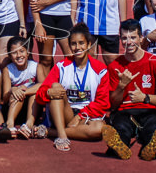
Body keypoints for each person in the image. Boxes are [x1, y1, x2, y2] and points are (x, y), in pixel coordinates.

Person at [102, 19, 156, 162]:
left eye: (133, 37)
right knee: (121, 127)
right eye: (124, 38)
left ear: (141, 38)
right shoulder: (115, 65)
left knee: (153, 126)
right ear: (120, 39)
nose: (129, 42)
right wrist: (122, 86)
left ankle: (152, 148)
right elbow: (112, 105)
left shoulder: (155, 62)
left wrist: (144, 98)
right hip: (125, 111)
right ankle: (119, 146)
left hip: (149, 110)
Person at [36, 23, 110, 152]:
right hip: (64, 112)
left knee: (100, 129)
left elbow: (102, 103)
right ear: (69, 46)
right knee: (56, 87)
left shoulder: (100, 70)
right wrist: (49, 92)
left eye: (81, 43)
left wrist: (80, 116)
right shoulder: (61, 67)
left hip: (85, 117)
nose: (77, 47)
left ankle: (50, 132)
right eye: (73, 44)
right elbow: (40, 94)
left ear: (88, 44)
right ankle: (62, 136)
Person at [2, 35, 39, 140]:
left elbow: (43, 85)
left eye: (22, 51)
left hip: (32, 108)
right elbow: (5, 98)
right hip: (14, 107)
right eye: (14, 53)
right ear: (9, 55)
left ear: (27, 52)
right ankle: (9, 124)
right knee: (16, 93)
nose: (19, 55)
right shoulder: (8, 70)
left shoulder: (35, 66)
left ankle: (29, 125)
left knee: (34, 92)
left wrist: (25, 91)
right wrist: (12, 90)